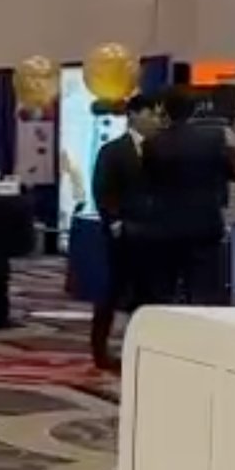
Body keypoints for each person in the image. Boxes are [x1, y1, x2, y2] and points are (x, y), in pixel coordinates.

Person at [142, 86, 235, 305]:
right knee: (205, 293)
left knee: (163, 293)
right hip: (205, 225)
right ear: (195, 109)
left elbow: (146, 184)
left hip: (163, 228)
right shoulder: (216, 137)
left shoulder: (152, 143)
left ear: (165, 111)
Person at [89, 95, 158, 370]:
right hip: (122, 232)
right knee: (112, 291)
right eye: (150, 114)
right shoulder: (113, 151)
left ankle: (141, 348)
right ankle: (99, 349)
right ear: (133, 115)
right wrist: (115, 222)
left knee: (147, 293)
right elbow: (103, 190)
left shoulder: (161, 150)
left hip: (153, 232)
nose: (155, 120)